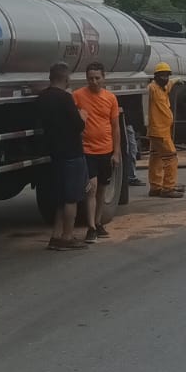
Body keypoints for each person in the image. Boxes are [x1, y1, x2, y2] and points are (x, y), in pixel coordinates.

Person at [38, 63, 94, 251]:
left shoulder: (43, 97)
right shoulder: (65, 98)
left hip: (54, 152)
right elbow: (78, 126)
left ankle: (55, 236)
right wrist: (83, 116)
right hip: (72, 152)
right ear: (66, 78)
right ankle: (68, 236)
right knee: (72, 198)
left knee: (61, 198)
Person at [71, 62, 121, 243]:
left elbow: (115, 127)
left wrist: (116, 153)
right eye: (90, 78)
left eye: (97, 78)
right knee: (91, 189)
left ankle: (98, 223)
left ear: (103, 77)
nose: (93, 82)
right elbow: (71, 118)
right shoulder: (77, 96)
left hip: (106, 150)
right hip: (87, 150)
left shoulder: (111, 98)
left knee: (102, 189)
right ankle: (90, 227)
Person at [146, 63, 185, 198]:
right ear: (155, 76)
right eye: (161, 75)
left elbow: (169, 84)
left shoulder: (163, 88)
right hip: (159, 132)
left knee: (156, 158)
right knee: (171, 158)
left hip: (161, 131)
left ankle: (156, 187)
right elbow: (148, 89)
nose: (165, 78)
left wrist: (176, 80)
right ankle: (168, 188)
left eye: (167, 75)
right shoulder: (153, 88)